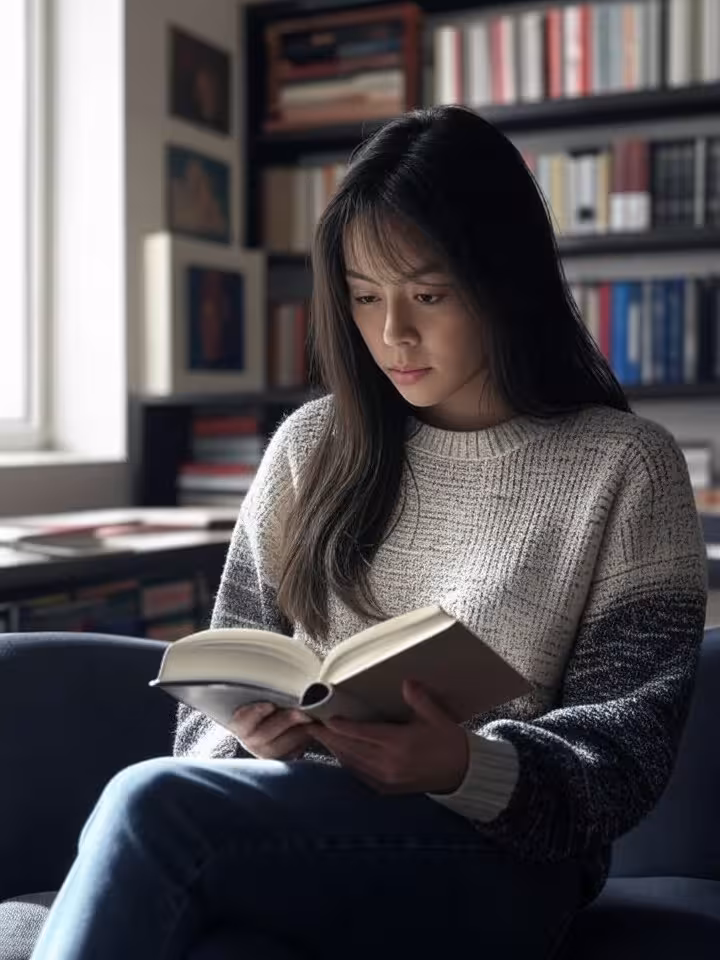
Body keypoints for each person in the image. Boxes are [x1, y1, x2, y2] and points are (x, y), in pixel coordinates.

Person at [31, 105, 707, 960]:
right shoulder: (310, 447)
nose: (393, 333)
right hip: (293, 825)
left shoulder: (624, 466)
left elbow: (626, 751)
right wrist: (246, 736)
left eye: (428, 295)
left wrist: (460, 764)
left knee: (146, 807)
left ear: (506, 281)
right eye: (362, 297)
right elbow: (212, 703)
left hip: (503, 862)